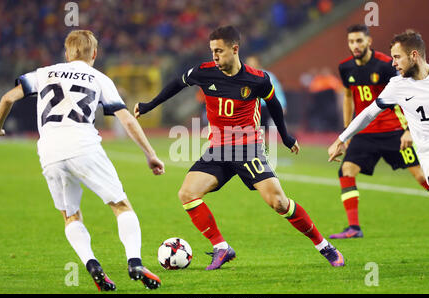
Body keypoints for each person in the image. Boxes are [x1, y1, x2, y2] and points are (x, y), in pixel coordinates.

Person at [135, 26, 345, 269]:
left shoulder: (257, 79)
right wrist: (150, 105)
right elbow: (177, 84)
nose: (215, 56)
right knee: (187, 194)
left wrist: (286, 137)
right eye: (212, 50)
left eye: (219, 51)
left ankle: (324, 246)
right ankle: (221, 248)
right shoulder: (204, 72)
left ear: (235, 49)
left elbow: (274, 105)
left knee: (279, 203)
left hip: (248, 148)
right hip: (218, 149)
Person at [0, 30, 164, 291]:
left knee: (70, 215)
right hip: (83, 145)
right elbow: (127, 119)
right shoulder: (100, 78)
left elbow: (7, 98)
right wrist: (150, 155)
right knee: (120, 205)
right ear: (94, 54)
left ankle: (92, 265)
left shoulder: (44, 72)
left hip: (50, 151)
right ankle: (134, 262)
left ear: (67, 53)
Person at [329, 25, 429, 240]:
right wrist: (344, 135)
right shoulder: (389, 82)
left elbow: (407, 101)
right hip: (376, 136)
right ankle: (354, 227)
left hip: (394, 131)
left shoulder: (390, 67)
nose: (394, 63)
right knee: (346, 170)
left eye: (398, 57)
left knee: (421, 176)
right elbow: (362, 108)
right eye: (351, 42)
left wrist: (407, 130)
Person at [245, 55, 287, 129]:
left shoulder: (267, 76)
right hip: (251, 107)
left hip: (266, 106)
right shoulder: (244, 77)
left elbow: (277, 91)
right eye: (248, 63)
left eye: (252, 63)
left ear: (258, 64)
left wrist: (282, 105)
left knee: (270, 130)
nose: (250, 65)